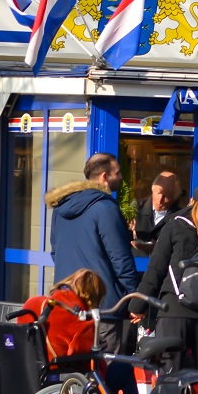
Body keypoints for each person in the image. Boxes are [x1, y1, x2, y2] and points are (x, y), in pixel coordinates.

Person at [45, 152, 141, 362]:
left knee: (73, 374)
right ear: (104, 177)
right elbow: (121, 260)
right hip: (103, 309)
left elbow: (55, 253)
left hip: (68, 306)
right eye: (118, 173)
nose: (122, 178)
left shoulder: (60, 210)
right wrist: (134, 299)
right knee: (107, 379)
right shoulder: (105, 208)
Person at [133, 181, 198, 370]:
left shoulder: (175, 225)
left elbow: (156, 269)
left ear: (191, 200)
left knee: (171, 377)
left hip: (173, 310)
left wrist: (138, 305)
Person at [22, 269, 106, 358]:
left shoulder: (31, 303)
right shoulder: (82, 322)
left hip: (26, 366)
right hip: (55, 368)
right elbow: (84, 360)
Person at [133, 170, 181, 252]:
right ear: (152, 190)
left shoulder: (179, 217)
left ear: (174, 197)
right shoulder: (135, 209)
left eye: (166, 196)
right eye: (158, 193)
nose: (160, 199)